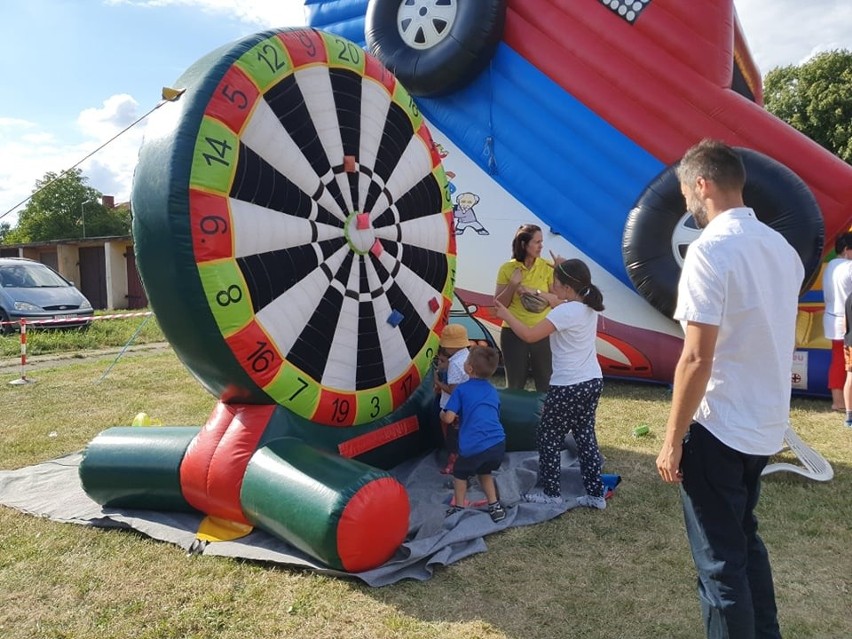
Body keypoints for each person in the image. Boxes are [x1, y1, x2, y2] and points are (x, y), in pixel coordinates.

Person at [656, 139, 803, 639]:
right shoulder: (781, 249)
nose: (687, 203)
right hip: (762, 424)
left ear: (702, 185)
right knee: (743, 541)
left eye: (685, 191)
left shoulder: (710, 251)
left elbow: (697, 357)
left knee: (720, 565)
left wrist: (672, 438)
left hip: (719, 425)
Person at [495, 257, 607, 509]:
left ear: (568, 288)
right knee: (585, 435)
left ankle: (551, 493)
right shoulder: (587, 305)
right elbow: (556, 299)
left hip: (568, 385)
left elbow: (528, 335)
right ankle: (595, 494)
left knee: (548, 436)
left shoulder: (565, 312)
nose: (551, 285)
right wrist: (548, 277)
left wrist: (505, 314)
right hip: (592, 381)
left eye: (555, 282)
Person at [441, 346, 507, 523]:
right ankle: (494, 505)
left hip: (474, 446)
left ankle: (459, 507)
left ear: (469, 369)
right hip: (498, 444)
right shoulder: (492, 390)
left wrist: (442, 413)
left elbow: (448, 419)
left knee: (459, 473)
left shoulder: (461, 390)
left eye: (467, 359)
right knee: (484, 472)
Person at [494, 224, 555, 392]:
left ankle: (545, 419)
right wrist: (512, 285)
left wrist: (533, 292)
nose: (541, 246)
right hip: (512, 334)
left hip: (542, 332)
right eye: (537, 242)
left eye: (541, 241)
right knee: (514, 386)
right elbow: (499, 305)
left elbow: (557, 301)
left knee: (546, 385)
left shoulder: (547, 267)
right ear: (523, 244)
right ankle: (514, 418)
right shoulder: (507, 268)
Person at [434, 324, 471, 475]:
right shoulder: (467, 355)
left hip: (452, 408)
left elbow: (454, 391)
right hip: (467, 406)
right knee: (461, 436)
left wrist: (437, 383)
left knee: (451, 437)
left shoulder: (455, 364)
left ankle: (453, 463)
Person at [821, 231, 852, 410]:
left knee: (838, 359)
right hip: (846, 319)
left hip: (832, 318)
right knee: (846, 362)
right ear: (847, 250)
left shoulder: (831, 265)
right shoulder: (848, 267)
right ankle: (842, 401)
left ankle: (838, 400)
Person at [843, 289, 852, 428]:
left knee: (850, 377)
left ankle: (849, 416)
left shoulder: (849, 297)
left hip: (849, 341)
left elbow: (845, 324)